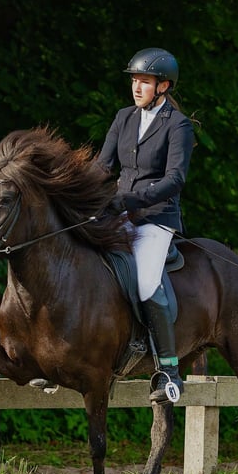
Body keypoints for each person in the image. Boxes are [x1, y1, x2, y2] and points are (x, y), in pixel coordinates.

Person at [98, 47, 195, 405]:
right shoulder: (123, 118)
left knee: (144, 280)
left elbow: (175, 179)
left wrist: (133, 200)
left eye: (144, 81)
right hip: (119, 214)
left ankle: (169, 369)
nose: (136, 87)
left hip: (156, 218)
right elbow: (101, 167)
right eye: (135, 80)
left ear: (164, 86)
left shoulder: (178, 125)